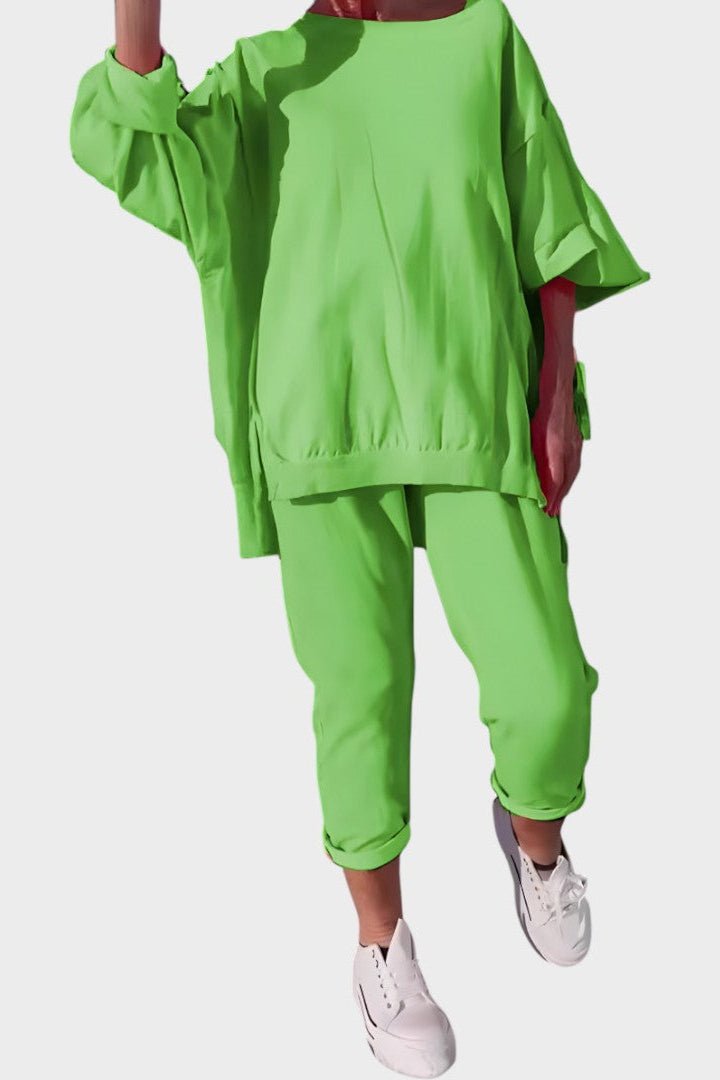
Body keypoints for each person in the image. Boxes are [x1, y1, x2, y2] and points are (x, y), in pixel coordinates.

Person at [70, 1, 649, 1074]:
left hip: (474, 405)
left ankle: (536, 841)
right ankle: (383, 948)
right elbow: (138, 139)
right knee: (361, 700)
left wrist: (555, 386)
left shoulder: (484, 38)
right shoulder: (267, 71)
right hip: (320, 420)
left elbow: (549, 218)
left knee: (545, 690)